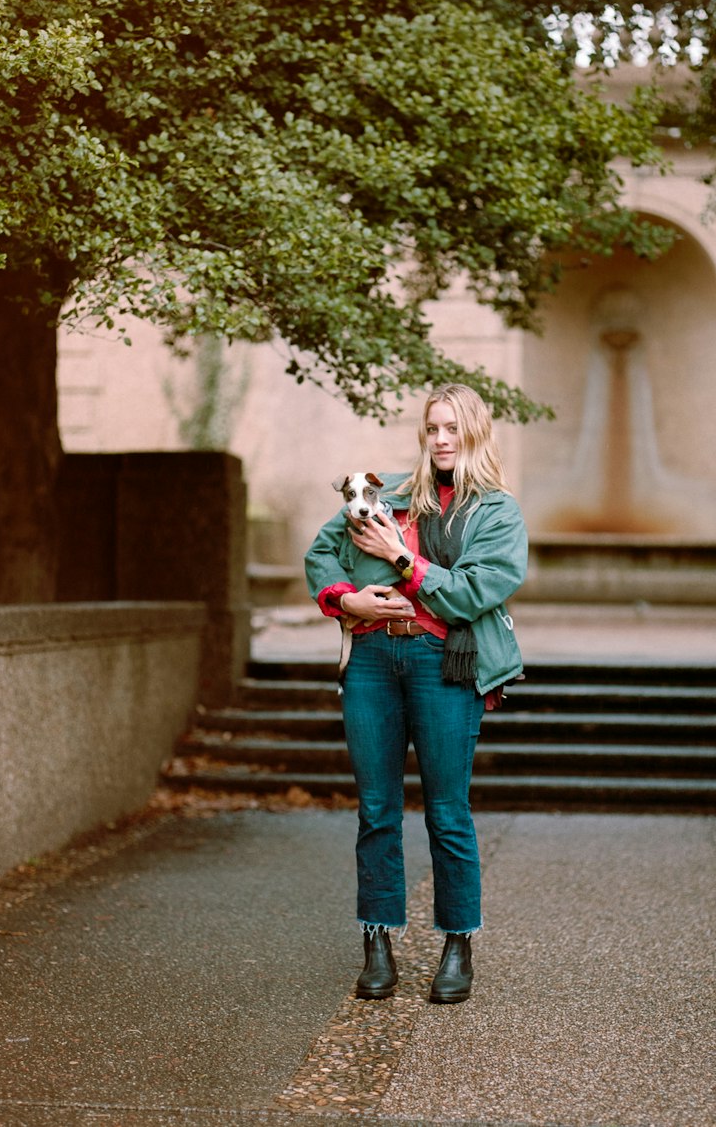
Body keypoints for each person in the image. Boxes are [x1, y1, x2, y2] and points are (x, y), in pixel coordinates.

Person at [304, 383, 529, 1004]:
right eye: (433, 428)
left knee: (446, 811)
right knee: (376, 809)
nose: (441, 439)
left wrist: (401, 558)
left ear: (477, 432)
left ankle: (457, 945)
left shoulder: (498, 514)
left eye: (453, 427)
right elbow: (322, 550)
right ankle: (377, 943)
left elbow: (470, 593)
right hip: (373, 657)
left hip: (444, 664)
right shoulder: (390, 492)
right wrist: (344, 599)